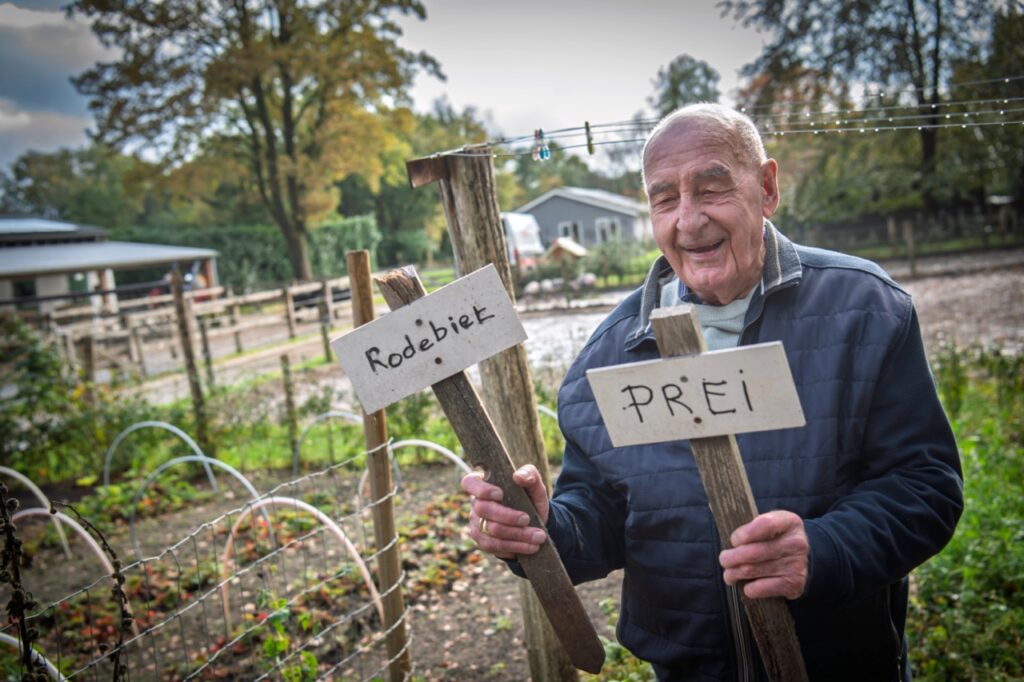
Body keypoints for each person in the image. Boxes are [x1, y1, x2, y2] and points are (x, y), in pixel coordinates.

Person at [461, 103, 963, 681]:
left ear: (767, 188)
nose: (689, 220)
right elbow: (599, 517)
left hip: (844, 663)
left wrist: (824, 549)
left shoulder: (865, 312)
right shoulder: (610, 357)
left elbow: (925, 486)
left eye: (711, 187)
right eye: (665, 198)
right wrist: (545, 528)